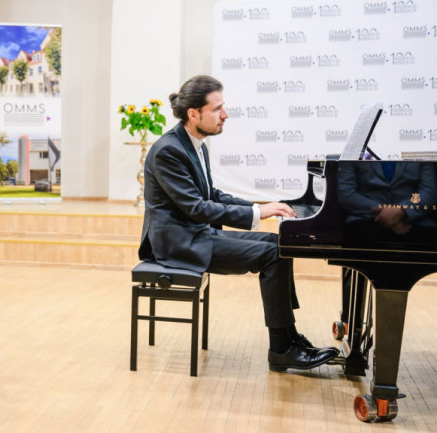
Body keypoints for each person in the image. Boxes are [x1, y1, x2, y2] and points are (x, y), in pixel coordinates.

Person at [139, 75, 338, 372]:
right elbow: (196, 207)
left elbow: (212, 195)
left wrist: (261, 206)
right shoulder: (169, 150)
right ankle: (282, 349)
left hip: (196, 233)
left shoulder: (196, 144)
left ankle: (290, 338)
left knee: (278, 245)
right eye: (217, 108)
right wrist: (259, 214)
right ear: (194, 114)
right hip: (178, 244)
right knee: (272, 253)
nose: (225, 114)